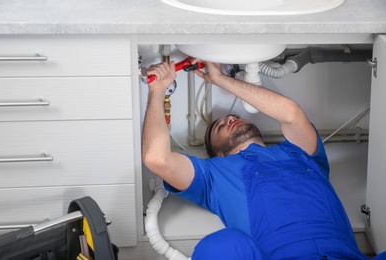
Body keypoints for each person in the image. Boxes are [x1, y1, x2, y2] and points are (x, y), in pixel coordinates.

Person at [142, 60, 372, 259]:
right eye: (220, 127)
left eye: (233, 116)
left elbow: (290, 112)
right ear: (217, 152)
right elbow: (156, 158)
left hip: (345, 255)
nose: (230, 118)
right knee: (221, 246)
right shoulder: (212, 175)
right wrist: (157, 89)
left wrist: (219, 78)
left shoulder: (299, 151)